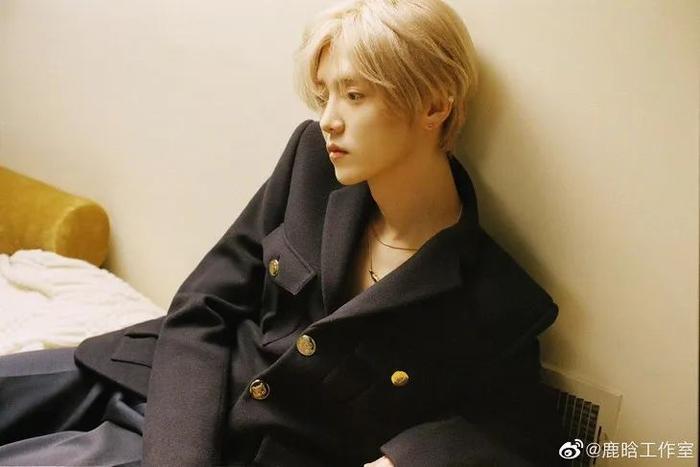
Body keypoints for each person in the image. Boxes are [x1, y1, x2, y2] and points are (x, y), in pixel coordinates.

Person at [0, 0, 569, 465]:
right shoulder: (310, 163)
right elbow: (203, 306)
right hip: (165, 387)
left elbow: (527, 435)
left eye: (354, 95)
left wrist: (406, 459)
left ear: (435, 106)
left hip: (237, 450)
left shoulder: (493, 296)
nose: (328, 120)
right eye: (325, 95)